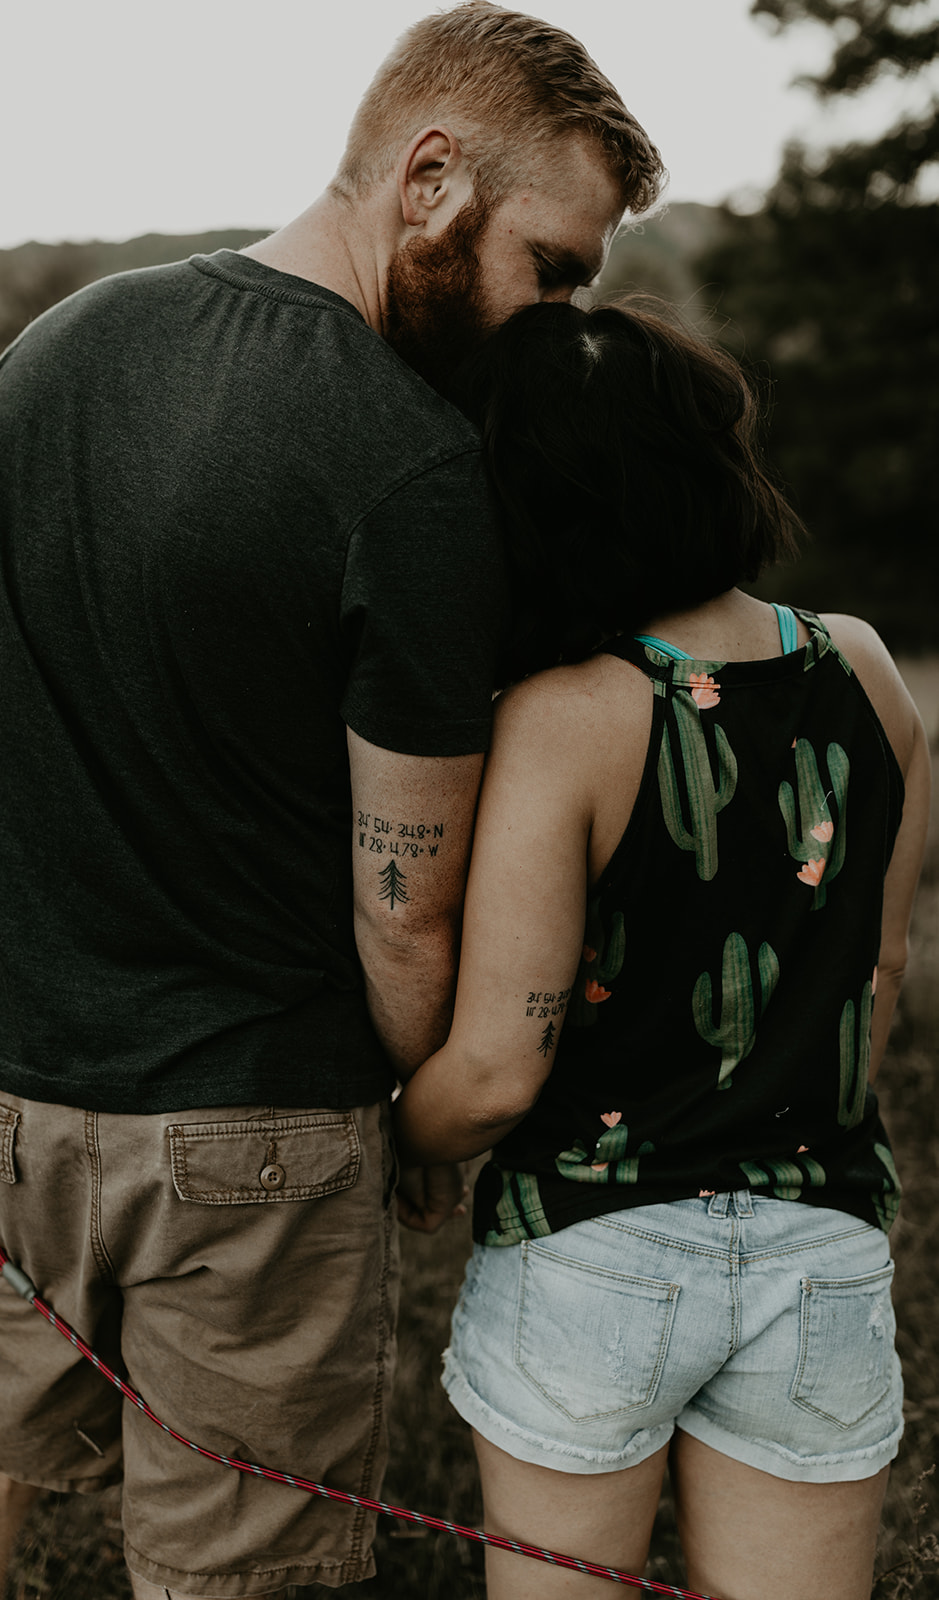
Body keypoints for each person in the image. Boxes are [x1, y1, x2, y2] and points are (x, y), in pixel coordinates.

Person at [0, 8, 665, 1600]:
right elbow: (404, 909)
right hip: (255, 1139)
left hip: (14, 1097)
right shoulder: (415, 470)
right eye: (554, 265)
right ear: (431, 177)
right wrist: (423, 1117)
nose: (553, 316)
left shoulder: (44, 360)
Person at [394, 300, 931, 1600]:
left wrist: (398, 1140)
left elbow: (501, 1072)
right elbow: (876, 990)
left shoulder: (565, 716)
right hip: (822, 1257)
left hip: (592, 1253)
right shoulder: (863, 669)